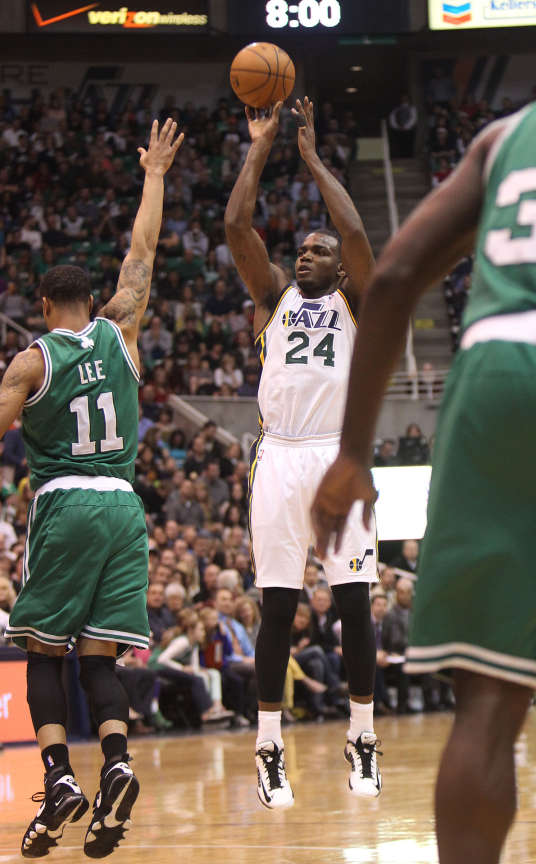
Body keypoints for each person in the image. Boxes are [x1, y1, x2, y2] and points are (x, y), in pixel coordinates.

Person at [312, 102, 536, 864]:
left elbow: (397, 274)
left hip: (497, 372)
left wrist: (351, 456)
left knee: (489, 703)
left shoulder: (506, 137)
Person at [3, 117, 184, 859]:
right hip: (124, 508)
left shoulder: (29, 361)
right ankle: (114, 764)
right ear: (92, 302)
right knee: (99, 658)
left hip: (69, 504)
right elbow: (141, 254)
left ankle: (60, 777)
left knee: (42, 652)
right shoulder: (123, 330)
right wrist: (154, 175)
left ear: (46, 307)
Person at [225, 96, 380, 810]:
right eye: (301, 249)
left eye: (317, 250)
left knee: (354, 604)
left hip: (336, 458)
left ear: (340, 270)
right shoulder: (271, 298)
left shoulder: (356, 301)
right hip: (281, 458)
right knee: (278, 610)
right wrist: (260, 145)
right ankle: (268, 748)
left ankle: (362, 738)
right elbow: (236, 226)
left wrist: (313, 158)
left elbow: (351, 227)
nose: (305, 253)